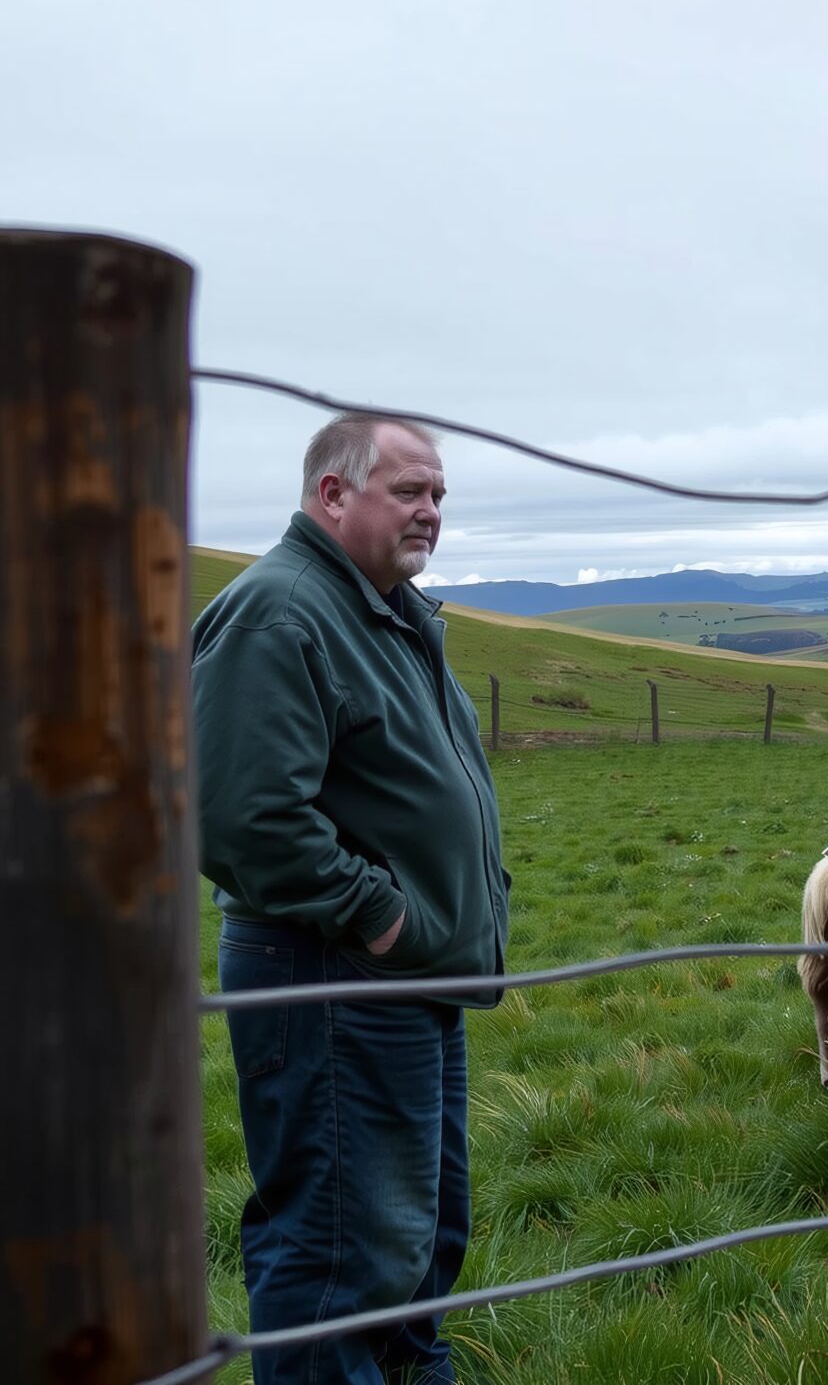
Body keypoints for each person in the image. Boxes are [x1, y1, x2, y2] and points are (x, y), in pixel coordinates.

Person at [195, 412, 510, 1383]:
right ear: (332, 493)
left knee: (418, 1240)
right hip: (332, 972)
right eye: (409, 490)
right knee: (340, 1249)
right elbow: (241, 815)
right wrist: (380, 913)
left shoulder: (385, 608)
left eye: (439, 495)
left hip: (403, 975)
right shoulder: (281, 612)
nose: (431, 512)